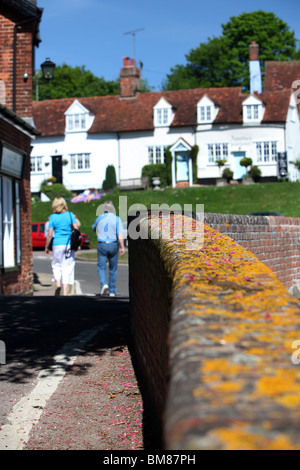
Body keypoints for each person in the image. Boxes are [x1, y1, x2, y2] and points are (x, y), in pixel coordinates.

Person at [45, 197, 80, 296]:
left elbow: (49, 234)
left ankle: (58, 284)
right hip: (68, 244)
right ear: (64, 204)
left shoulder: (52, 217)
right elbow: (76, 228)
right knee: (67, 266)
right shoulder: (70, 215)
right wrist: (77, 243)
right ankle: (65, 290)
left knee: (56, 264)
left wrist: (47, 247)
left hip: (57, 244)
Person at [92, 200, 125, 297]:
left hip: (102, 244)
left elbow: (94, 229)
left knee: (101, 267)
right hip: (113, 244)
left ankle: (104, 283)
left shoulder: (99, 218)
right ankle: (112, 291)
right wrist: (122, 247)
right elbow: (120, 234)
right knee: (113, 268)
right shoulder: (117, 219)